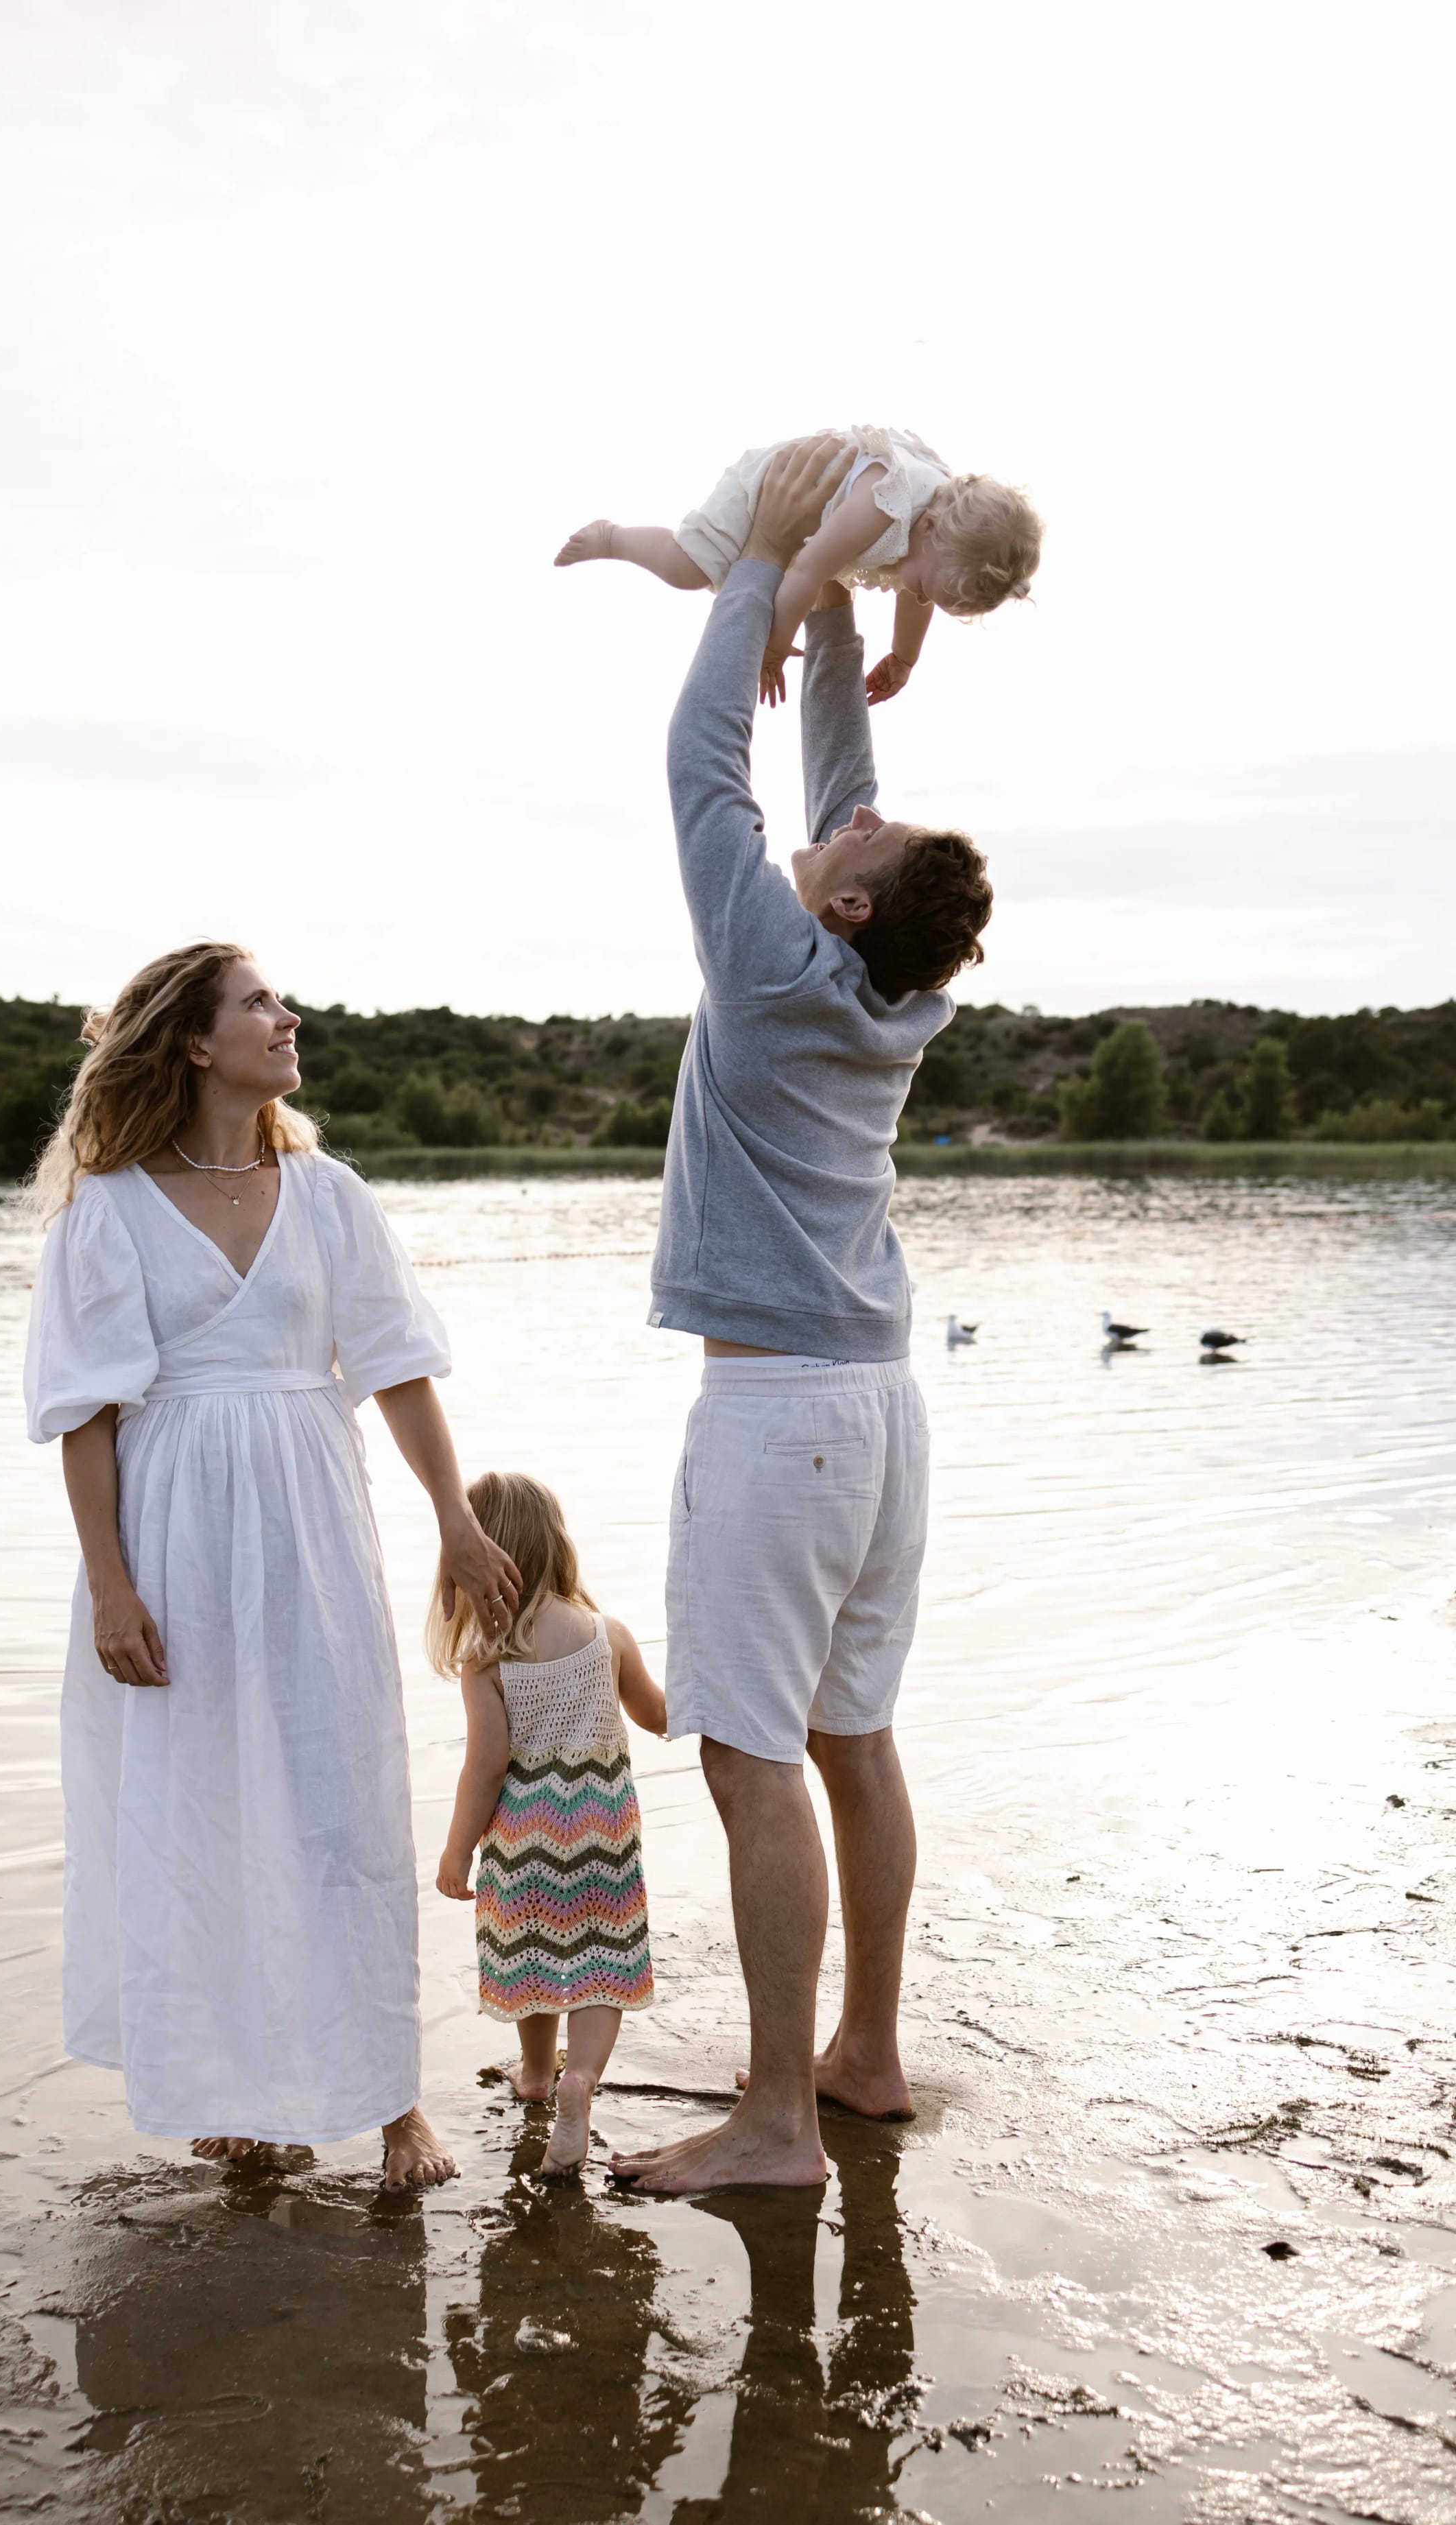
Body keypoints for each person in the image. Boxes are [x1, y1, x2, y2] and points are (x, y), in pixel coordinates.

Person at [609, 439, 994, 2196]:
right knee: (854, 1737)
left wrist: (770, 569)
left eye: (853, 836)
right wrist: (840, 617)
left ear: (839, 899)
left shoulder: (772, 968)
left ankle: (772, 2118)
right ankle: (867, 2051)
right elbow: (839, 780)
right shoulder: (889, 987)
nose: (847, 813)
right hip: (884, 1410)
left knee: (754, 1758)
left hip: (777, 1424)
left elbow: (702, 769)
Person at [22, 940, 521, 2189]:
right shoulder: (111, 1206)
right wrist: (113, 1584)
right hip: (172, 1531)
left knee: (341, 1797)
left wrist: (456, 1523)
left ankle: (393, 2100)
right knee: (205, 1807)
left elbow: (395, 1363)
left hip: (312, 1517)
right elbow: (87, 1413)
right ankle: (244, 2090)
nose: (287, 1016)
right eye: (259, 1003)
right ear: (197, 1042)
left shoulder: (332, 1192)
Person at [430, 1473, 665, 2174]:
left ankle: (535, 2075)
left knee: (534, 1957)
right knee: (601, 1964)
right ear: (557, 1545)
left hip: (526, 1840)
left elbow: (486, 1767)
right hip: (604, 1833)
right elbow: (657, 1714)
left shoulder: (489, 1662)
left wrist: (456, 1850)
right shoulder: (607, 1635)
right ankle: (579, 2082)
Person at [555, 422, 1041, 709]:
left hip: (823, 525)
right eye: (927, 585)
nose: (919, 595)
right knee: (690, 569)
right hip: (775, 484)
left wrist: (904, 658)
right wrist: (773, 648)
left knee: (821, 579)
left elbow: (916, 599)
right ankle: (613, 538)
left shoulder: (937, 533)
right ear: (931, 526)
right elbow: (806, 571)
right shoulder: (884, 504)